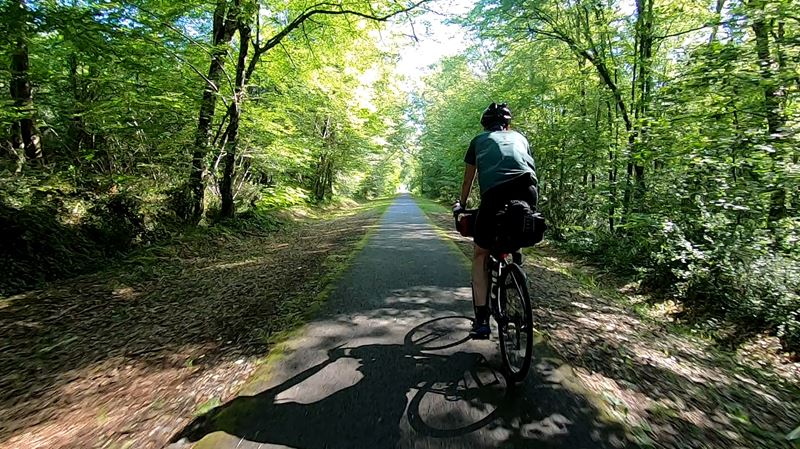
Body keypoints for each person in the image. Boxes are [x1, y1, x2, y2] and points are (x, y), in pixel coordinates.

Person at [453, 103, 538, 339]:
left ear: (485, 125)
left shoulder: (479, 141)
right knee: (516, 226)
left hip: (495, 195)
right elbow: (528, 167)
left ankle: (481, 322)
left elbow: (468, 181)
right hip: (528, 191)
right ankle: (516, 265)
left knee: (481, 253)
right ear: (508, 125)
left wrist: (461, 204)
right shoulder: (520, 138)